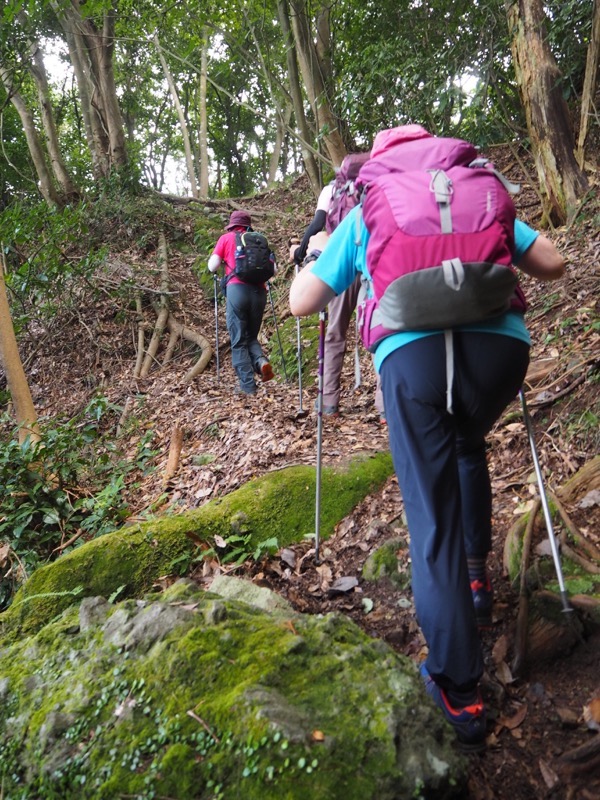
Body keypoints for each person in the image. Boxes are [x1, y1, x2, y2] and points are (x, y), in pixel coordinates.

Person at [289, 125, 565, 752]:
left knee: (430, 521)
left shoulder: (368, 207)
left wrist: (317, 251)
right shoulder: (478, 187)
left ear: (380, 161)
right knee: (467, 443)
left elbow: (301, 302)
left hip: (414, 365)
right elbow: (552, 262)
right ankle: (477, 581)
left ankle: (459, 691)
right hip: (500, 356)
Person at [289, 174, 385, 421]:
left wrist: (302, 252)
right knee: (378, 329)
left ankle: (329, 402)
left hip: (339, 262)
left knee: (334, 333)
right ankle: (386, 403)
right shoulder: (375, 185)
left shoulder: (332, 189)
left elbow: (317, 224)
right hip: (368, 260)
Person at [208, 210, 274, 395]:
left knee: (238, 340)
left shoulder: (226, 238)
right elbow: (273, 269)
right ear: (248, 225)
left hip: (237, 291)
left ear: (232, 224)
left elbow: (212, 266)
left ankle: (247, 386)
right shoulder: (259, 241)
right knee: (251, 336)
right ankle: (261, 362)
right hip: (259, 293)